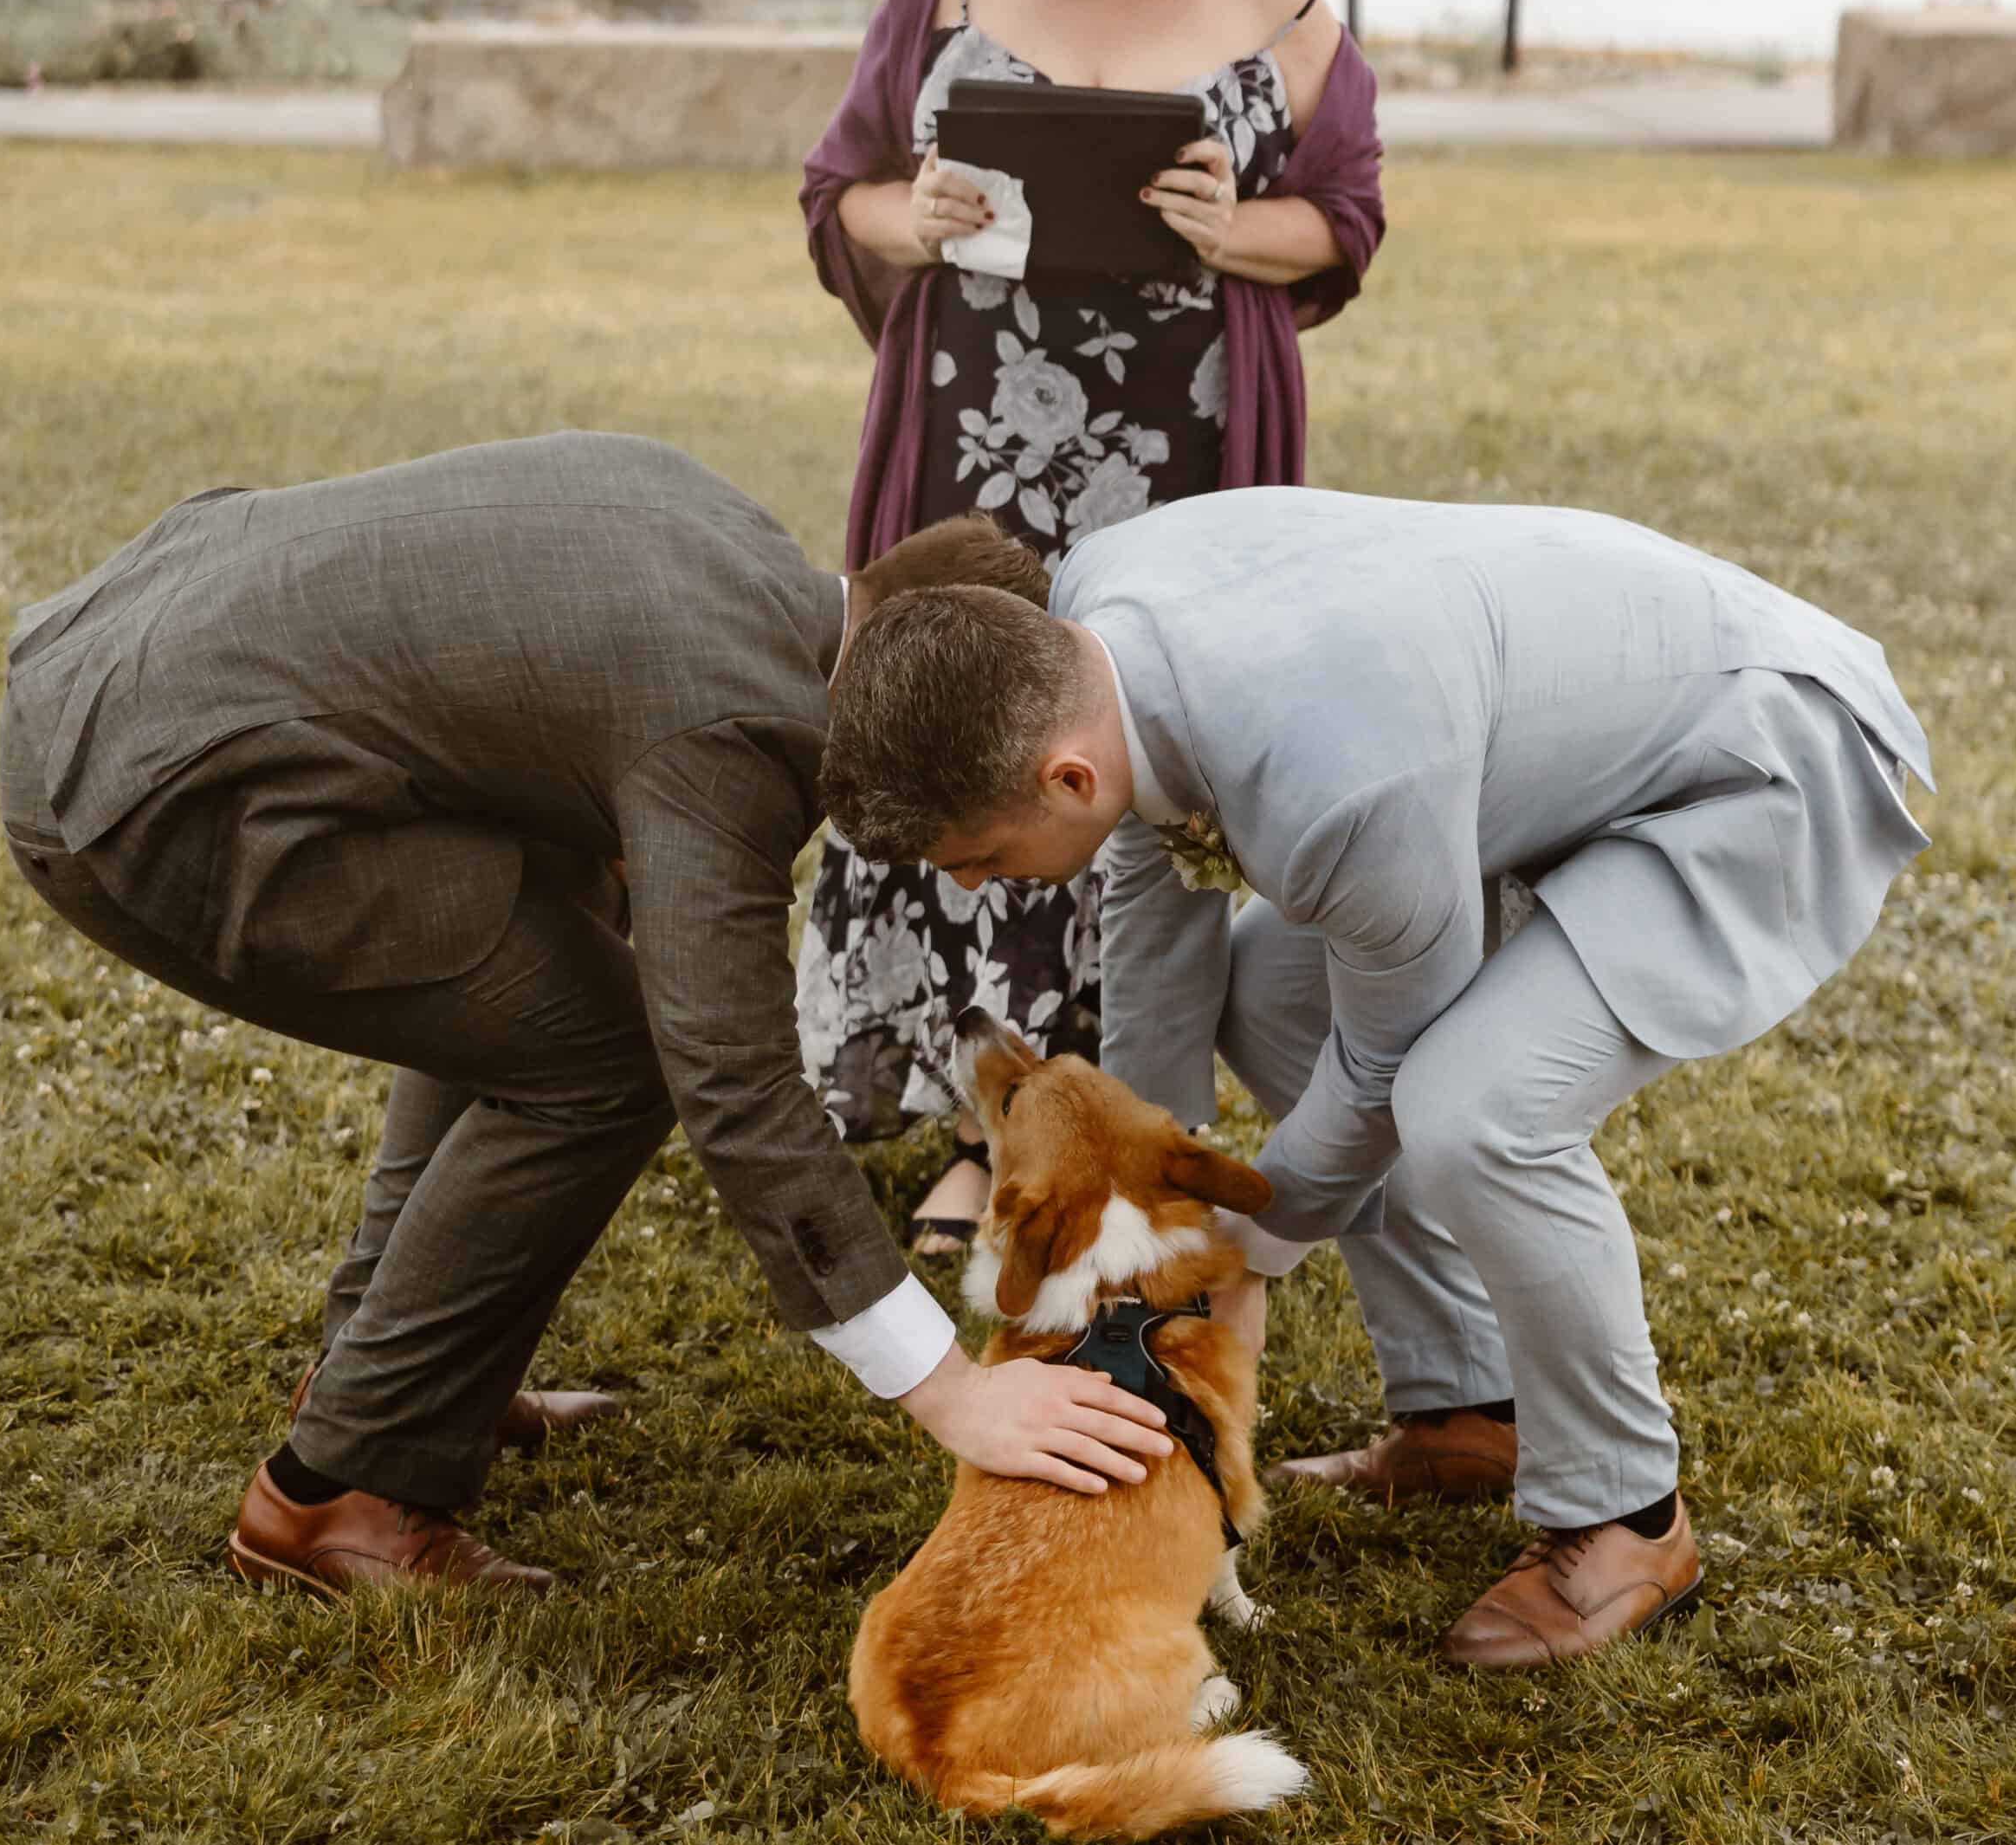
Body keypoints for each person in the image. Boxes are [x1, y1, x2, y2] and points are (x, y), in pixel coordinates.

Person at [0, 437, 1173, 1602]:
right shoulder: (731, 731)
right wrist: (950, 1390)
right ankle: (330, 1492)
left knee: (534, 962)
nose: (967, 878)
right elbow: (731, 1079)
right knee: (610, 1059)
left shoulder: (730, 536)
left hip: (118, 646)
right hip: (152, 783)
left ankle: (395, 1385)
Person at [819, 486, 1934, 1672]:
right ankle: (1472, 1404)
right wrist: (1160, 1196)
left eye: (983, 860)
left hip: (1749, 766)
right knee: (1267, 992)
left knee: (1470, 1109)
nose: (986, 889)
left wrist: (1246, 1254)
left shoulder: (1340, 789)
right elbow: (1158, 889)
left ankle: (1627, 1516)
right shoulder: (1090, 639)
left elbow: (1388, 1054)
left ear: (1065, 781)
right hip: (1514, 760)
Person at [797, 0, 1385, 1259]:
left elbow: (1347, 221)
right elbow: (834, 192)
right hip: (974, 442)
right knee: (968, 754)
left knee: (1132, 781)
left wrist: (1226, 228)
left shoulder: (1283, 3)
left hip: (1186, 454)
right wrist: (906, 215)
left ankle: (1118, 1103)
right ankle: (986, 1127)